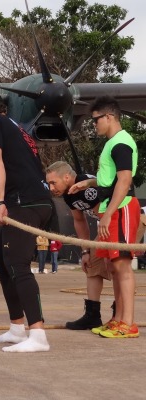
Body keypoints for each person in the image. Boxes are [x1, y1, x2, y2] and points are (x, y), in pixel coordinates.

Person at [0, 91, 53, 352]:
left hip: (24, 202)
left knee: (17, 264)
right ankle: (17, 328)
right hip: (37, 199)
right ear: (4, 109)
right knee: (0, 260)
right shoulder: (17, 128)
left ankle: (38, 334)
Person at [68, 95, 140, 338]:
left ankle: (127, 323)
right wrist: (88, 182)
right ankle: (118, 318)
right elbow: (110, 179)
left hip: (121, 208)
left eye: (96, 120)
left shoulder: (121, 143)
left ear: (109, 117)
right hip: (112, 209)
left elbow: (125, 179)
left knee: (122, 265)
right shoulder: (113, 143)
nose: (94, 124)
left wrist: (108, 214)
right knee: (113, 265)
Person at [45, 160, 115, 330]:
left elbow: (108, 211)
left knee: (117, 265)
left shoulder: (87, 186)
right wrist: (85, 251)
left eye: (53, 182)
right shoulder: (69, 195)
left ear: (67, 177)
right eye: (49, 184)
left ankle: (120, 314)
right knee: (92, 264)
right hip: (106, 226)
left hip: (122, 220)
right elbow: (79, 220)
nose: (51, 188)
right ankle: (92, 315)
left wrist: (107, 249)